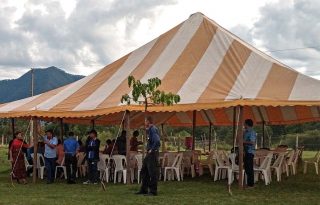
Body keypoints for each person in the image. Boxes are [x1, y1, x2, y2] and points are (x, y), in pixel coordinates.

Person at [136, 116, 160, 196]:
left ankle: (153, 191)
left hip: (152, 153)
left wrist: (152, 149)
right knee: (144, 171)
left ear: (148, 121)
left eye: (145, 121)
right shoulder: (150, 130)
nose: (144, 123)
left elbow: (157, 141)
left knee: (152, 172)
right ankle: (144, 189)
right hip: (149, 154)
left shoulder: (153, 129)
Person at [243, 119, 256, 188]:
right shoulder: (245, 132)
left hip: (250, 152)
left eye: (244, 124)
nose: (243, 125)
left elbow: (252, 142)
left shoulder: (252, 132)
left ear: (247, 124)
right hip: (246, 152)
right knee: (246, 167)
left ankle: (251, 185)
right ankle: (248, 183)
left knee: (249, 168)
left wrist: (243, 142)